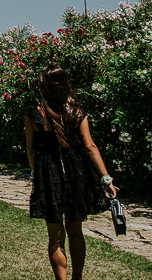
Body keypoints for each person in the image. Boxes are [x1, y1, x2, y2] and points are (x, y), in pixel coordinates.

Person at [25, 65, 117, 280]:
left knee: (55, 237)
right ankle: (78, 278)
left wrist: (37, 173)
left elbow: (31, 149)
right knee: (76, 231)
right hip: (77, 173)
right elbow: (90, 147)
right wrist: (106, 179)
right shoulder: (77, 111)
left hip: (49, 173)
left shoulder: (34, 113)